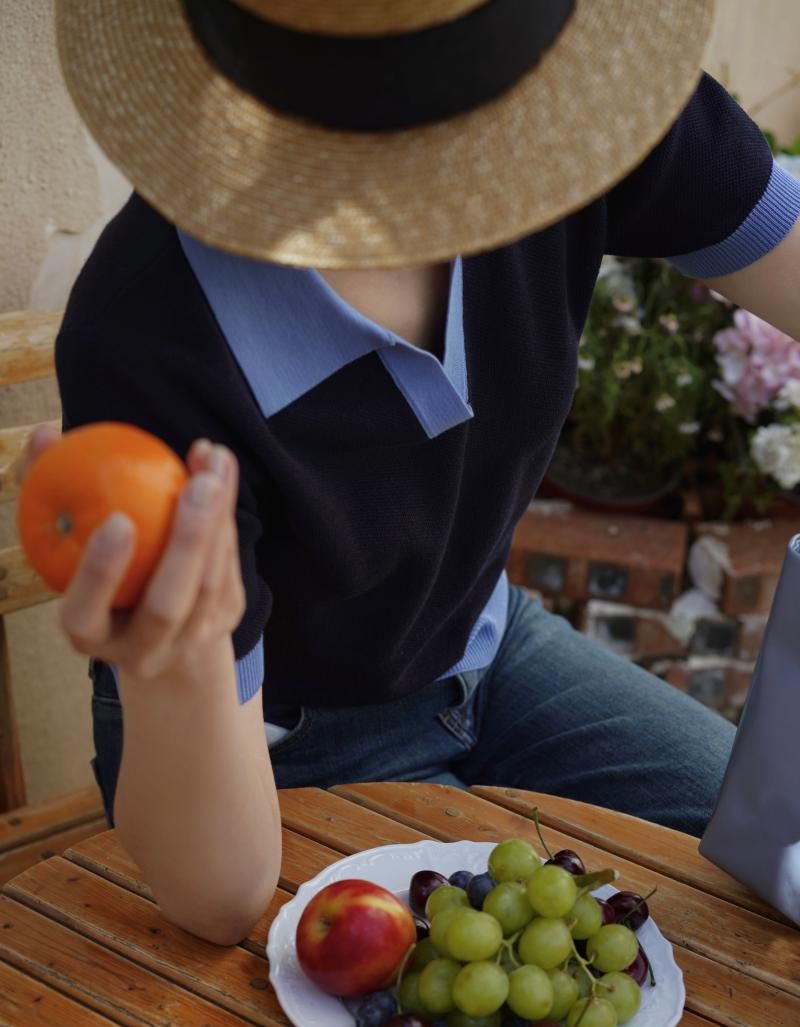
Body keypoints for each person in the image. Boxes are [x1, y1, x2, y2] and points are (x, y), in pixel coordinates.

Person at [20, 1, 800, 944]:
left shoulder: (572, 105)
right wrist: (179, 662)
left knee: (780, 855)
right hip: (272, 744)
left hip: (487, 645)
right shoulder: (151, 333)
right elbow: (221, 899)